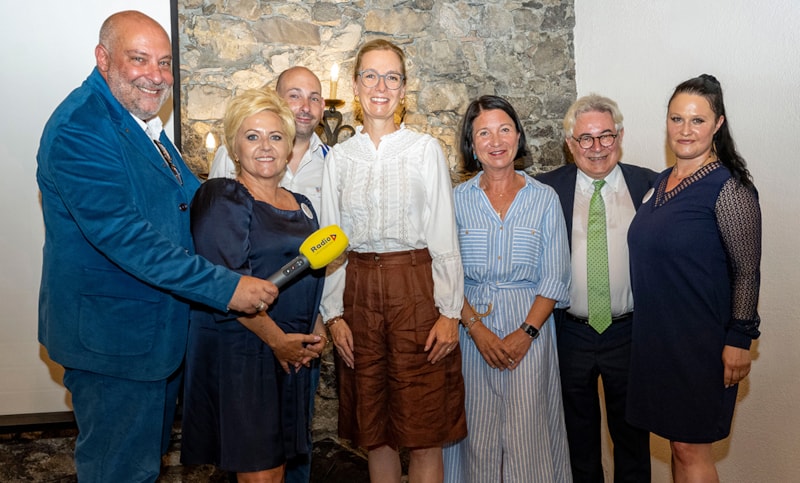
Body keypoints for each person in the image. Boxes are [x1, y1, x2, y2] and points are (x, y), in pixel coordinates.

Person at [35, 11, 278, 482]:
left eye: (164, 63)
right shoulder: (81, 128)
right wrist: (227, 287)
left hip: (152, 341)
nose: (156, 75)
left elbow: (188, 202)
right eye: (139, 59)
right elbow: (128, 238)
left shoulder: (137, 120)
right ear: (103, 59)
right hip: (113, 344)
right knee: (120, 473)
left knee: (143, 469)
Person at [320, 39, 466, 483]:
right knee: (375, 431)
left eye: (392, 77)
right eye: (370, 75)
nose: (380, 86)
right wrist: (333, 315)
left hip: (417, 290)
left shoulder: (424, 150)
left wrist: (451, 312)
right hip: (359, 291)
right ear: (356, 85)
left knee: (424, 430)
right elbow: (330, 243)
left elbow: (444, 233)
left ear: (403, 89)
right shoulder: (340, 158)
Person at [180, 88, 325, 482]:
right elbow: (227, 284)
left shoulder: (303, 203)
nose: (265, 146)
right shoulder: (221, 197)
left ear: (290, 145)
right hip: (245, 353)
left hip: (291, 353)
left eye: (276, 136)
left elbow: (310, 274)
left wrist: (316, 329)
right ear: (234, 146)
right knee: (261, 474)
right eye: (252, 136)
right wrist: (279, 341)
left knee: (278, 471)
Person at [626, 74, 762, 482]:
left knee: (690, 449)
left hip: (700, 341)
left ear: (718, 124)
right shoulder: (659, 183)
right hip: (657, 338)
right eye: (676, 119)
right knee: (676, 446)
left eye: (697, 120)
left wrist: (740, 338)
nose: (685, 130)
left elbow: (747, 271)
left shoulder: (729, 188)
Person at [442, 94, 572, 482]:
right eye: (484, 132)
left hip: (530, 328)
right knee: (476, 436)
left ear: (518, 136)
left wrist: (525, 333)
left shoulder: (544, 198)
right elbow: (447, 274)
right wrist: (477, 330)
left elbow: (555, 275)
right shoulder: (456, 201)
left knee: (528, 434)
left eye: (504, 129)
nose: (495, 140)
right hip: (470, 330)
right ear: (471, 143)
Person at [536, 94, 656, 482]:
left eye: (606, 136)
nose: (597, 147)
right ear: (570, 144)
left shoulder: (651, 186)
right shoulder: (546, 190)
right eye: (585, 139)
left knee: (634, 443)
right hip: (569, 333)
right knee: (578, 443)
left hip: (630, 333)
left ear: (620, 137)